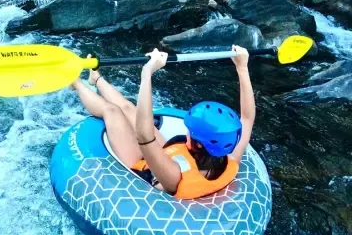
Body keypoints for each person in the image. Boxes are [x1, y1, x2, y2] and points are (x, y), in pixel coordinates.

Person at [70, 46, 254, 199]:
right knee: (128, 108)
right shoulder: (230, 157)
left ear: (198, 143)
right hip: (173, 156)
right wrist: (242, 67)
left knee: (113, 112)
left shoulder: (175, 176)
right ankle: (97, 79)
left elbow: (145, 137)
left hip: (145, 167)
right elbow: (247, 118)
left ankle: (75, 82)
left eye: (189, 130)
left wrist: (147, 73)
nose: (186, 131)